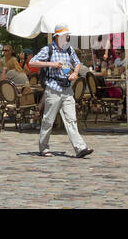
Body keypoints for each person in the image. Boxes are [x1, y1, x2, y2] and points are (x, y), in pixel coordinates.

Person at [30, 26, 92, 158]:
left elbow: (77, 63)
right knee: (48, 120)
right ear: (57, 36)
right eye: (64, 35)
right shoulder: (48, 49)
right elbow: (32, 62)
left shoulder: (69, 49)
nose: (67, 37)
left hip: (67, 88)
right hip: (53, 88)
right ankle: (44, 147)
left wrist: (75, 73)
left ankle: (80, 148)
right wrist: (51, 64)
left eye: (67, 35)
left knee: (71, 119)